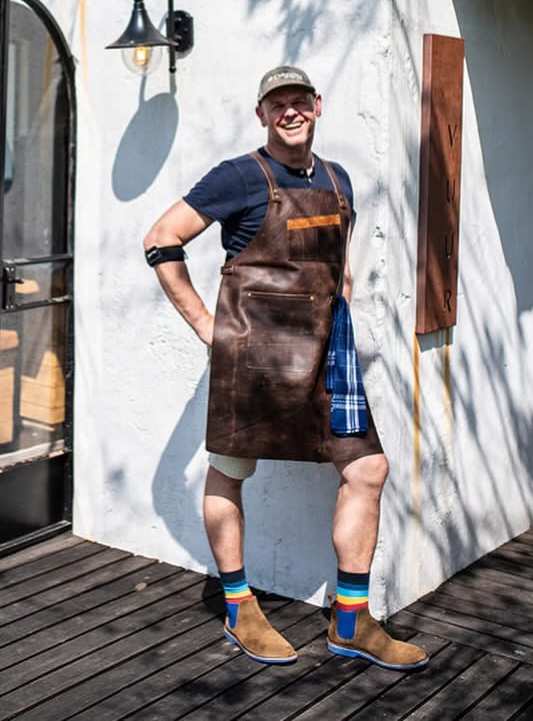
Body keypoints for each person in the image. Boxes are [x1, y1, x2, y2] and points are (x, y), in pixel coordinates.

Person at [143, 66, 428, 670]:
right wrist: (206, 326)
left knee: (368, 469)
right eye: (278, 104)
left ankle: (351, 621)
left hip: (326, 353)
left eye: (299, 101)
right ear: (262, 114)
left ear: (318, 106)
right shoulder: (240, 176)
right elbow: (161, 239)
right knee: (229, 472)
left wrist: (342, 309)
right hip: (254, 358)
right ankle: (239, 606)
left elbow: (337, 266)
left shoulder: (337, 179)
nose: (290, 112)